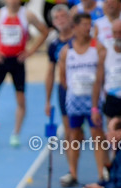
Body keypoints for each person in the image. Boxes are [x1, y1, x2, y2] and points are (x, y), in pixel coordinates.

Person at [0, 0, 50, 148]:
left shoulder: (27, 15)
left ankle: (16, 134)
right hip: (1, 60)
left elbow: (44, 31)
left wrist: (31, 51)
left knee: (21, 100)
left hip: (18, 61)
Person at [59, 12, 107, 188]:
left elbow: (102, 75)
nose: (88, 28)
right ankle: (72, 173)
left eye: (90, 24)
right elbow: (62, 77)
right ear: (75, 27)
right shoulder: (67, 51)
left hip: (94, 100)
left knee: (97, 135)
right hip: (74, 100)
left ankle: (101, 173)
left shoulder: (98, 48)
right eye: (85, 25)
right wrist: (74, 91)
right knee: (74, 135)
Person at [45, 4, 75, 152]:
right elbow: (50, 72)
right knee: (69, 131)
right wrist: (47, 101)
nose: (61, 20)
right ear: (53, 22)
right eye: (57, 18)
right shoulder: (53, 44)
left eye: (63, 16)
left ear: (70, 18)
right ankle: (72, 165)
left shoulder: (79, 38)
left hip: (85, 89)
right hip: (64, 89)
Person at [101, 19, 121, 118]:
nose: (118, 36)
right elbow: (99, 80)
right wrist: (94, 108)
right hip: (112, 99)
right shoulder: (105, 52)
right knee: (112, 127)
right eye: (115, 33)